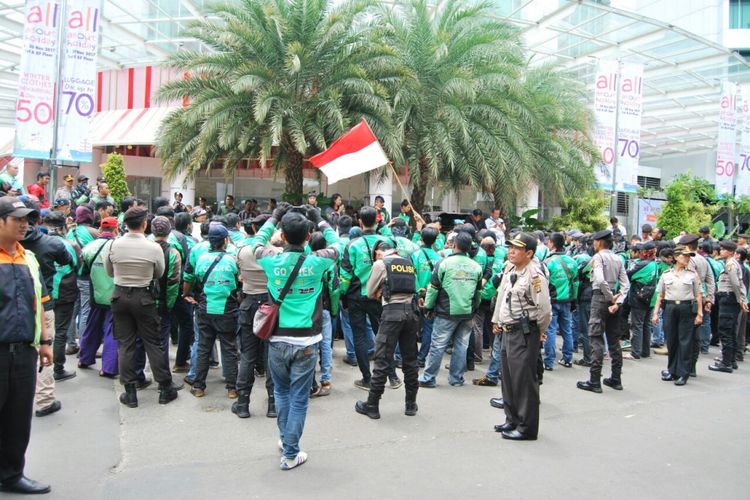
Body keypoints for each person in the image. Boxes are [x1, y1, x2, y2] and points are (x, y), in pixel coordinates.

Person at [250, 203, 339, 470]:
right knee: (299, 398)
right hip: (308, 342)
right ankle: (290, 452)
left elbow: (255, 242)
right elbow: (339, 244)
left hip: (277, 339)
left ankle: (285, 440)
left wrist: (275, 217)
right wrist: (320, 218)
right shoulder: (318, 260)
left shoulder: (270, 259)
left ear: (283, 237)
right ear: (309, 237)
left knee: (282, 392)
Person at [0, 197, 53, 495]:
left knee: (18, 418)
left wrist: (44, 341)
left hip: (23, 351)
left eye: (27, 220)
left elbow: (37, 304)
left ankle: (11, 474)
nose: (24, 224)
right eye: (17, 219)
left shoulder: (27, 258)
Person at [106, 207, 182, 408]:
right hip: (144, 297)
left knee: (126, 344)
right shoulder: (153, 248)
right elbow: (159, 273)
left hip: (119, 296)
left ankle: (130, 392)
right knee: (153, 342)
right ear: (144, 224)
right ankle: (165, 388)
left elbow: (109, 271)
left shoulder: (114, 244)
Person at [491, 232, 551, 441]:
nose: (511, 251)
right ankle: (512, 419)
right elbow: (502, 296)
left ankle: (526, 428)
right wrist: (497, 319)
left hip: (524, 332)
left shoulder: (535, 275)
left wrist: (538, 331)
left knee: (524, 381)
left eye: (517, 248)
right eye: (510, 247)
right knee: (508, 378)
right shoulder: (511, 270)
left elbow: (544, 310)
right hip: (508, 330)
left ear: (529, 253)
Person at [355, 241, 420, 419]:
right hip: (411, 314)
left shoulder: (381, 263)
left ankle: (372, 405)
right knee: (410, 360)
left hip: (392, 314)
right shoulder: (408, 262)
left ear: (378, 252)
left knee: (382, 359)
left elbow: (368, 292)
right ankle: (411, 404)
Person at [20, 202, 73, 416]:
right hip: (44, 303)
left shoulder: (21, 249)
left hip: (37, 304)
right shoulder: (52, 244)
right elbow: (69, 261)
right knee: (44, 350)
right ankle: (44, 401)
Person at [340, 206, 396, 390]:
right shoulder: (388, 242)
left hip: (357, 296)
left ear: (360, 222)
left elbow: (345, 276)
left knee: (359, 336)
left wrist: (341, 294)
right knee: (384, 335)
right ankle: (393, 376)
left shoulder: (352, 245)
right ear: (378, 221)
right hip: (381, 296)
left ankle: (367, 378)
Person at [418, 232, 483, 388]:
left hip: (445, 312)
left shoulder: (444, 263)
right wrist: (474, 308)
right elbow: (478, 293)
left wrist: (428, 307)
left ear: (454, 245)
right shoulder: (476, 266)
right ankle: (456, 378)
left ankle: (428, 378)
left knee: (438, 345)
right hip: (467, 313)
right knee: (461, 345)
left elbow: (433, 289)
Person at [183, 225, 240, 399]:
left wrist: (186, 294)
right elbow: (238, 283)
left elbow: (189, 278)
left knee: (203, 348)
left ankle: (199, 387)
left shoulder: (200, 259)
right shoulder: (231, 260)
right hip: (227, 310)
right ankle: (232, 389)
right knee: (229, 348)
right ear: (225, 241)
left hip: (204, 309)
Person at [577, 229, 630, 394]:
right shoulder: (618, 258)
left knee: (596, 338)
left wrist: (609, 296)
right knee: (614, 340)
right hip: (615, 302)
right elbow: (625, 284)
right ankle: (616, 378)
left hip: (600, 299)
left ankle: (594, 380)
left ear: (599, 243)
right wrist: (618, 300)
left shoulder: (598, 257)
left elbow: (599, 279)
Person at [234, 220, 276, 419]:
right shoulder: (275, 253)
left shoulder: (242, 251)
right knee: (271, 357)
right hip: (270, 305)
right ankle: (273, 404)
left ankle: (243, 403)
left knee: (247, 356)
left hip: (249, 304)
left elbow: (239, 275)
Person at [652, 246, 703, 385]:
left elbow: (698, 295)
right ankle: (672, 370)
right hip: (670, 307)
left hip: (686, 307)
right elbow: (660, 295)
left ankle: (683, 373)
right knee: (672, 340)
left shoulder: (692, 274)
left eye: (688, 256)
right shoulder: (666, 274)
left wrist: (700, 313)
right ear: (675, 257)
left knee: (685, 341)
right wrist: (656, 313)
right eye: (684, 255)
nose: (687, 258)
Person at [77, 218, 119, 378]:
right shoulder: (118, 246)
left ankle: (84, 359)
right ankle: (108, 368)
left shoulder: (88, 248)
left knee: (91, 327)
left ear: (100, 230)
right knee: (112, 331)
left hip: (96, 294)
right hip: (114, 295)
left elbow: (82, 272)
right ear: (116, 230)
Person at [42, 213, 81, 384]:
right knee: (60, 332)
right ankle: (58, 369)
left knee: (43, 331)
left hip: (44, 293)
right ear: (64, 225)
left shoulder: (38, 243)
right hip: (66, 293)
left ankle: (43, 367)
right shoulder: (70, 244)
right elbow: (78, 268)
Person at [709, 240, 749, 373]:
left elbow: (736, 284)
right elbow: (740, 284)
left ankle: (726, 363)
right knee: (730, 331)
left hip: (728, 299)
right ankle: (730, 360)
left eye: (723, 249)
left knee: (725, 330)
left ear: (730, 252)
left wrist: (740, 299)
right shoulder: (734, 263)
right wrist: (742, 299)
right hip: (731, 299)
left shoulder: (731, 264)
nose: (720, 251)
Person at [542, 232, 578, 369]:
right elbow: (575, 284)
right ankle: (568, 359)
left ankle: (549, 362)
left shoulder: (548, 262)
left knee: (550, 330)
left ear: (551, 243)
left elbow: (544, 284)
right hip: (567, 301)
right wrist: (574, 301)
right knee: (567, 329)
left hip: (552, 301)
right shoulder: (572, 261)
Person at [626, 241, 658, 359]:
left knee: (637, 325)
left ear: (644, 252)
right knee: (646, 325)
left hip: (639, 297)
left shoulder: (642, 264)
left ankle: (635, 352)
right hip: (650, 298)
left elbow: (628, 275)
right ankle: (645, 351)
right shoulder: (654, 263)